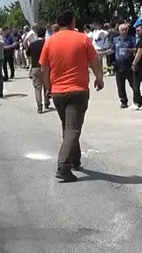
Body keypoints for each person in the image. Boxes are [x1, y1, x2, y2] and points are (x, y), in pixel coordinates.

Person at [39, 11, 104, 182]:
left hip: (58, 92)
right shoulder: (82, 38)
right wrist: (99, 78)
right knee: (73, 129)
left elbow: (44, 68)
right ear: (72, 22)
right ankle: (63, 166)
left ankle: (75, 159)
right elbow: (95, 60)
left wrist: (48, 88)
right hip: (77, 91)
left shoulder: (50, 41)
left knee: (67, 127)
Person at [112, 24, 137, 108]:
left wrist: (129, 50)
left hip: (128, 64)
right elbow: (112, 50)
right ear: (119, 31)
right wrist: (102, 53)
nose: (124, 31)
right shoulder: (115, 40)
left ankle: (137, 99)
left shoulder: (132, 39)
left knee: (133, 84)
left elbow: (136, 49)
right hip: (119, 65)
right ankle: (123, 101)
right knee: (120, 85)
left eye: (125, 29)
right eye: (122, 30)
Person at [27, 26, 50, 113]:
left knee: (37, 88)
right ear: (45, 34)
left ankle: (39, 106)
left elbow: (28, 53)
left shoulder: (32, 44)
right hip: (45, 67)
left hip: (35, 67)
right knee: (46, 86)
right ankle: (47, 101)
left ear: (37, 34)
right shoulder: (47, 43)